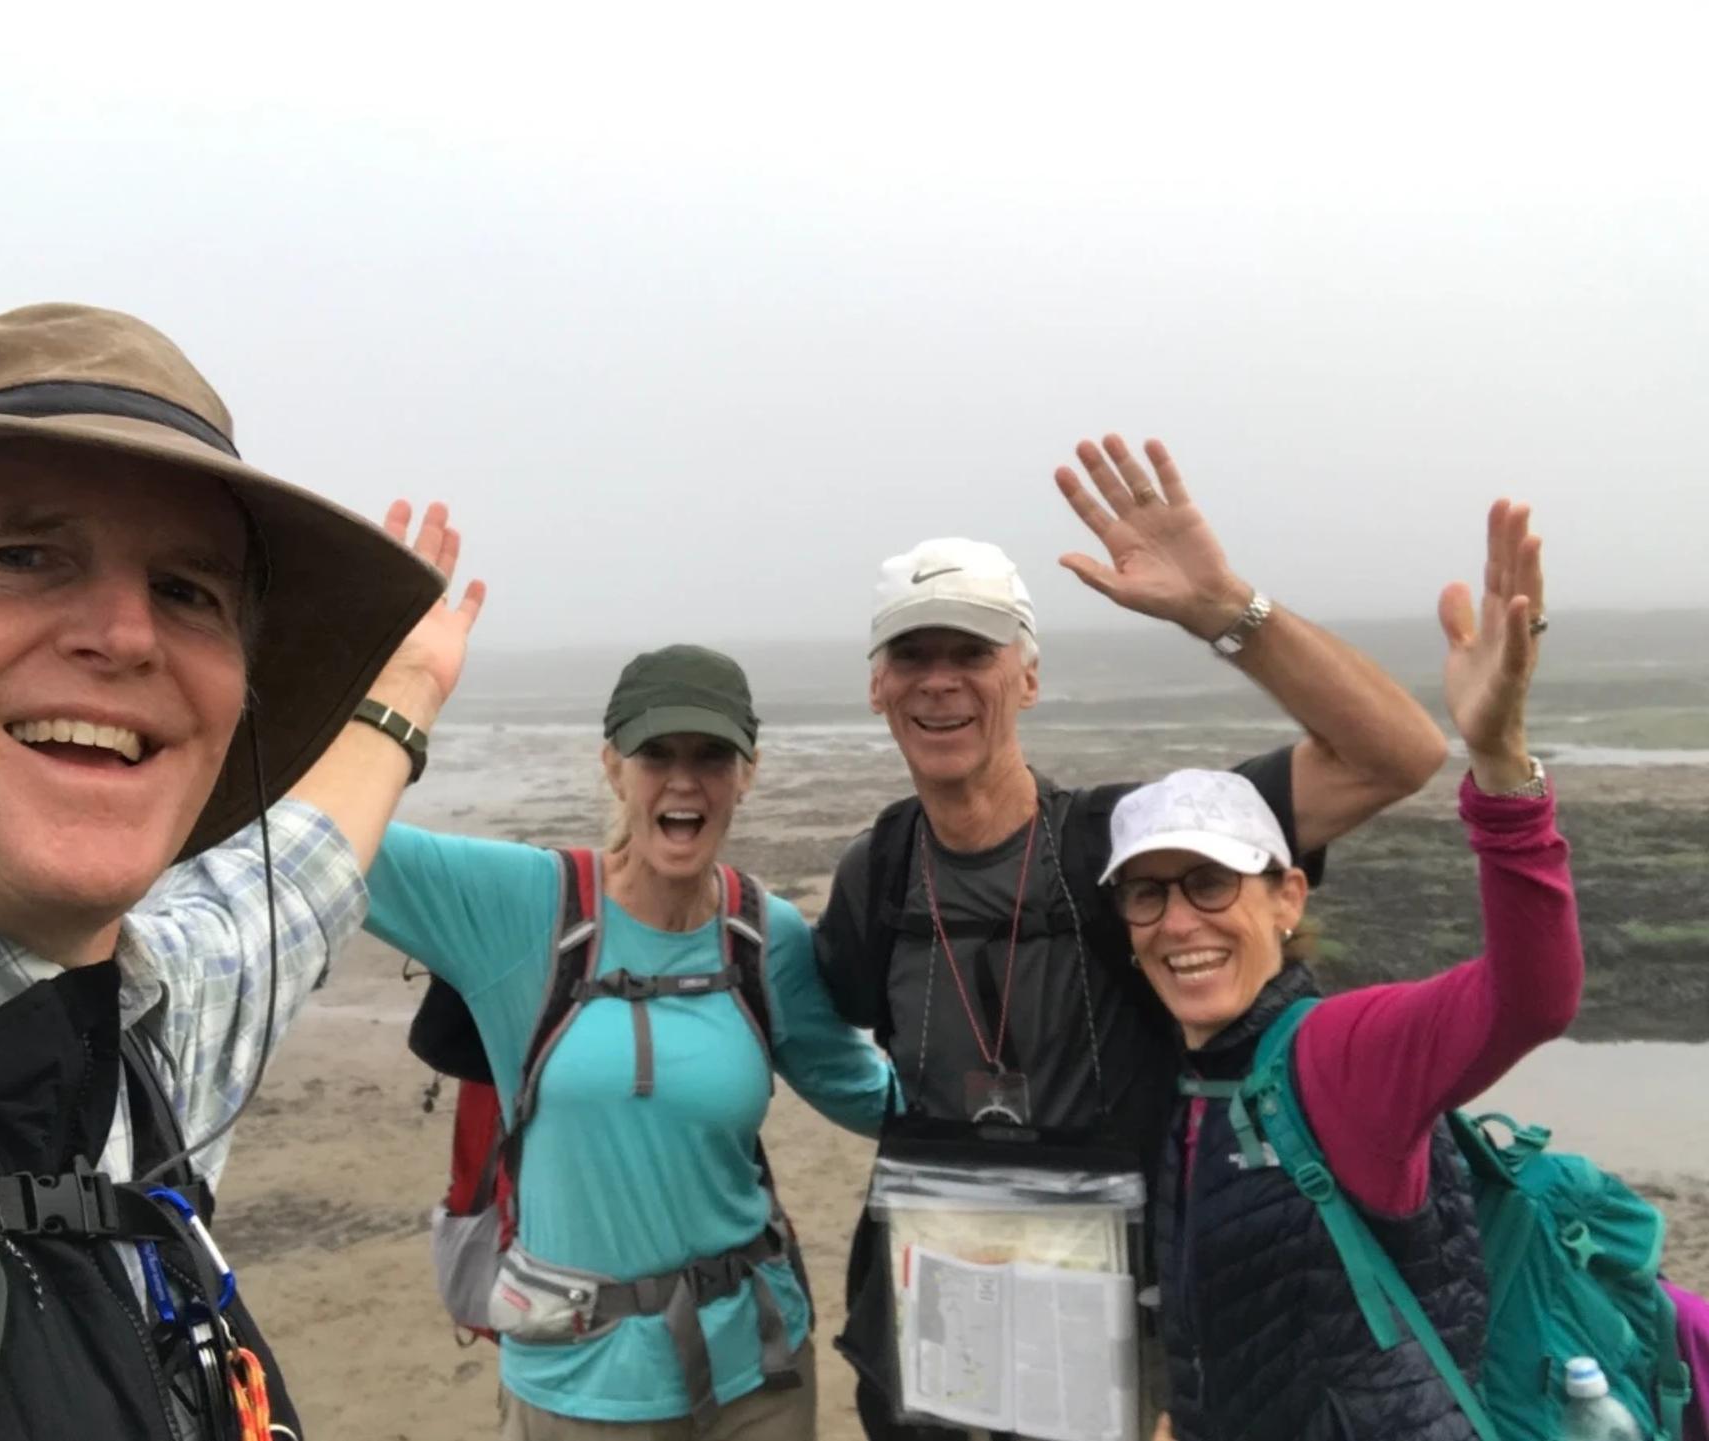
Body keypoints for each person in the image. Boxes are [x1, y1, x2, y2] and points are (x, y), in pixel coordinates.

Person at [0, 302, 480, 1440]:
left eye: (187, 590)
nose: (124, 634)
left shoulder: (129, 1049)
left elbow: (279, 907)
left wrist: (403, 698)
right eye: (23, 556)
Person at [814, 436, 1452, 1438]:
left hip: (1131, 1361)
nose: (940, 681)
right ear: (876, 686)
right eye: (913, 654)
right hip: (934, 1347)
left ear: (1026, 677)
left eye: (972, 652)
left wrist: (1225, 610)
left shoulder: (1131, 847)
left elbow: (1399, 753)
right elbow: (840, 1029)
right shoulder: (875, 876)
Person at [363, 643, 896, 1440]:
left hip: (758, 1378)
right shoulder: (524, 905)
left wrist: (1040, 1112)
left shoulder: (765, 937)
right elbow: (326, 830)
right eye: (657, 752)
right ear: (613, 766)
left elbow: (867, 1092)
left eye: (712, 754)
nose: (684, 779)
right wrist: (389, 697)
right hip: (576, 1388)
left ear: (747, 772)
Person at [1121, 500, 1559, 1439]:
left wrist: (1500, 764)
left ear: (1286, 896)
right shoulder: (1197, 1077)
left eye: (1208, 883)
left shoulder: (1339, 1053)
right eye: (1147, 894)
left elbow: (1529, 999)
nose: (1178, 921)